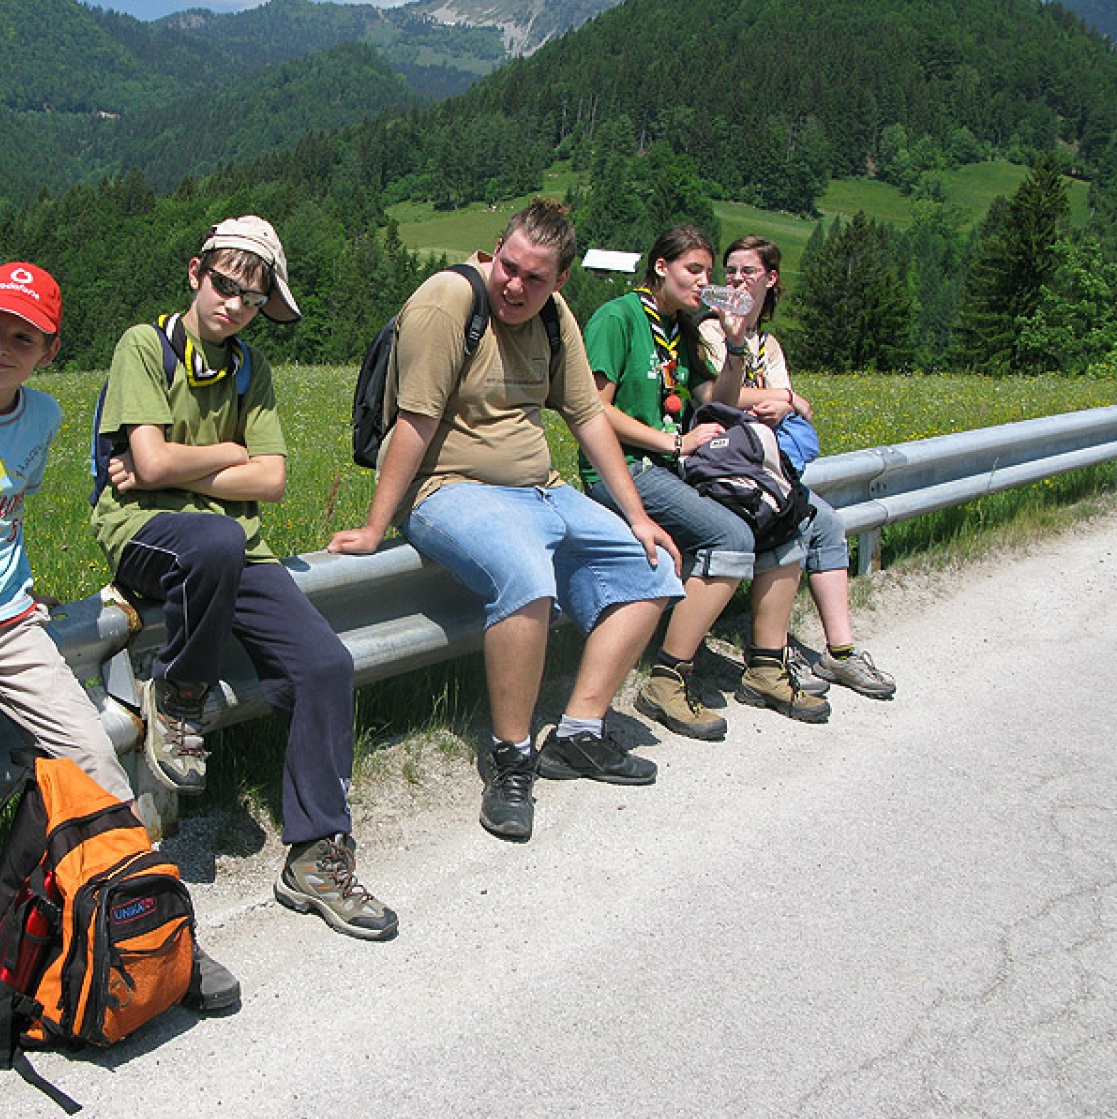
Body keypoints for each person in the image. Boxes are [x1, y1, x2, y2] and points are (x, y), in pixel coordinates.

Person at [0, 261, 243, 1084]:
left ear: (47, 349)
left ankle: (140, 916)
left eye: (23, 336)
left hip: (12, 623)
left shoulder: (43, 415)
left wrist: (23, 592)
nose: (2, 345)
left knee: (98, 753)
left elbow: (7, 515)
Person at [330, 198, 684, 843]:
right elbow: (416, 420)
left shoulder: (555, 318)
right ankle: (510, 757)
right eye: (510, 268)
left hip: (540, 491)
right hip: (448, 489)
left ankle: (578, 733)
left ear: (560, 281)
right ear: (496, 250)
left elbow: (586, 416)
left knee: (650, 568)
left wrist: (636, 516)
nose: (516, 286)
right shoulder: (448, 301)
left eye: (535, 278)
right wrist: (377, 526)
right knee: (526, 577)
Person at [92, 217, 397, 941]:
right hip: (146, 535)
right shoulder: (147, 343)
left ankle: (317, 855)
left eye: (252, 298)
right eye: (225, 285)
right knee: (217, 536)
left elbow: (274, 479)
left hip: (235, 547)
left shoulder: (251, 369)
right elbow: (155, 469)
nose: (234, 305)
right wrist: (221, 457)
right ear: (196, 272)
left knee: (325, 664)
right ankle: (180, 696)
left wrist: (186, 455)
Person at [582, 224, 830, 741]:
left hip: (676, 467)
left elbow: (715, 399)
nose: (703, 282)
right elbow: (594, 413)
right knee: (731, 535)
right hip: (627, 469)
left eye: (707, 273)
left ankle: (765, 665)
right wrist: (673, 444)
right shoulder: (618, 318)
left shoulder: (683, 328)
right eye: (693, 270)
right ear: (660, 267)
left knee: (782, 513)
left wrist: (736, 343)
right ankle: (668, 678)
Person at [699, 236, 896, 699]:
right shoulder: (710, 332)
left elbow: (782, 409)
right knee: (788, 516)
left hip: (763, 459)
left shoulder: (767, 344)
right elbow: (715, 398)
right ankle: (772, 652)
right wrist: (784, 398)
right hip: (724, 461)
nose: (736, 280)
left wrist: (781, 403)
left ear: (770, 280)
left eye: (747, 271)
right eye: (730, 272)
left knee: (827, 522)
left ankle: (840, 654)